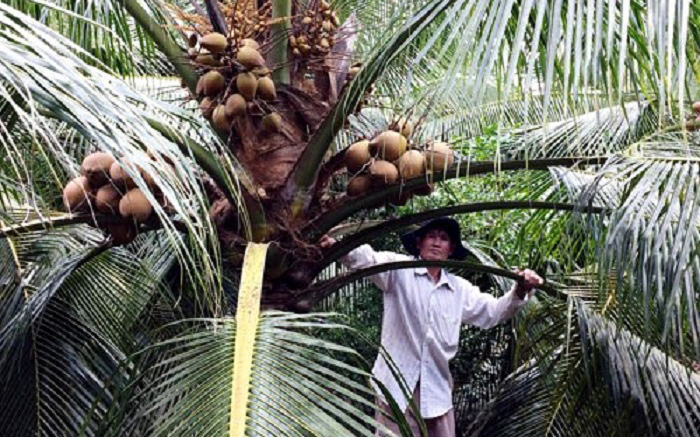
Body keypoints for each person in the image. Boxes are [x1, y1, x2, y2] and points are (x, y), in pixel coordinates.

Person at [319, 217, 543, 437]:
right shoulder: (399, 270)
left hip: (437, 390)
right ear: (419, 243)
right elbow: (367, 259)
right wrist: (336, 245)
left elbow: (493, 312)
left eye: (443, 238)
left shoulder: (460, 290)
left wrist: (520, 290)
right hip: (395, 388)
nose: (436, 242)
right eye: (431, 236)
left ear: (451, 248)